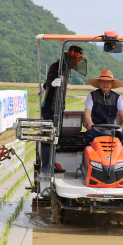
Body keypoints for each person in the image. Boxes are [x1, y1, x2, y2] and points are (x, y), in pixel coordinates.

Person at [39, 45, 86, 173]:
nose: (77, 62)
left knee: (55, 137)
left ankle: (52, 165)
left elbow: (46, 83)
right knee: (47, 136)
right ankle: (45, 166)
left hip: (59, 107)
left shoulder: (67, 69)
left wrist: (44, 87)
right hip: (50, 107)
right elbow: (49, 80)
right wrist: (50, 84)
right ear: (70, 57)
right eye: (76, 59)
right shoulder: (56, 67)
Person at [84, 69, 123, 149]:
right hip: (96, 129)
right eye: (102, 81)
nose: (105, 84)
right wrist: (90, 122)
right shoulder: (92, 95)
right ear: (99, 82)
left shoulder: (117, 97)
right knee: (89, 135)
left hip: (112, 130)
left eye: (108, 81)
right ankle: (87, 159)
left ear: (112, 83)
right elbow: (87, 112)